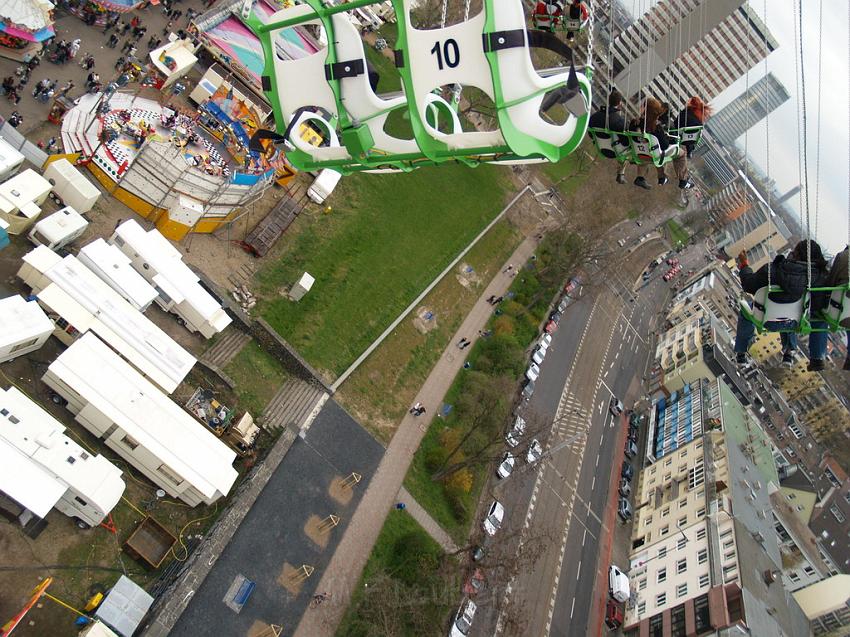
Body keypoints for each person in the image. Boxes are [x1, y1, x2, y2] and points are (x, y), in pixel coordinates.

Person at [733, 240, 828, 367]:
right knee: (793, 310)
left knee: (747, 310)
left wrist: (744, 265)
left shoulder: (773, 269)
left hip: (764, 320)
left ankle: (741, 352)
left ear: (796, 254)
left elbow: (749, 285)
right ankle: (789, 352)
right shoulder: (817, 279)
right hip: (792, 322)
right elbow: (819, 305)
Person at [807, 246, 850, 371]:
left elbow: (830, 283)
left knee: (819, 315)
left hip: (838, 311)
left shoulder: (843, 256)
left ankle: (817, 357)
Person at [588, 90, 628, 183]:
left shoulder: (595, 116)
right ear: (620, 104)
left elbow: (590, 133)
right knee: (627, 150)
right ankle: (621, 173)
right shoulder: (618, 120)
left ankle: (621, 174)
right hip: (613, 151)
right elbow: (625, 141)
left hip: (601, 148)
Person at [672, 96, 711, 188]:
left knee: (679, 155)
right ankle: (683, 180)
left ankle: (683, 179)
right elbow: (692, 138)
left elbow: (676, 123)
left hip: (674, 136)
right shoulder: (698, 122)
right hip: (682, 141)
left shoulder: (684, 112)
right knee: (680, 156)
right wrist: (690, 150)